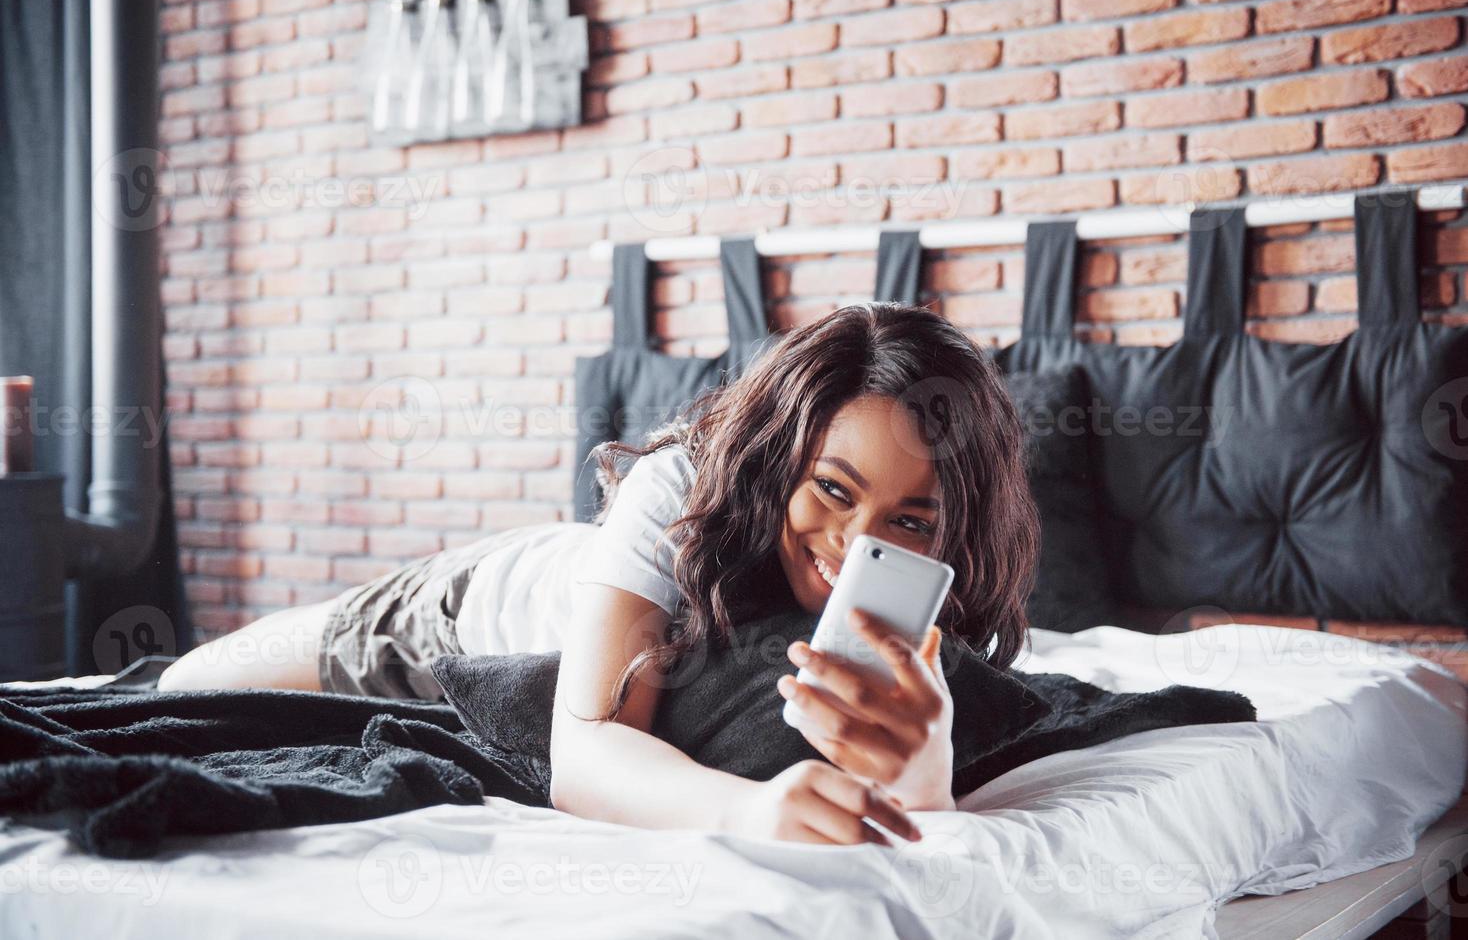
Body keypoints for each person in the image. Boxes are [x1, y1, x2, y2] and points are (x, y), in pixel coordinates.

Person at [160, 302, 1040, 846]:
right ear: (784, 460)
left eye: (909, 521)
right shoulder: (683, 488)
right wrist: (746, 812)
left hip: (575, 574)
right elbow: (583, 758)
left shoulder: (941, 592)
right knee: (180, 683)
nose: (857, 542)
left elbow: (931, 805)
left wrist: (926, 779)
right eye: (832, 491)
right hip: (462, 612)